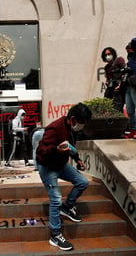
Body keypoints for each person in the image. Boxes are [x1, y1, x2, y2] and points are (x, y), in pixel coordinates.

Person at [36, 103, 92, 251]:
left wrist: (77, 158)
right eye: (81, 123)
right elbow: (42, 150)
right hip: (47, 167)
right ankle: (55, 235)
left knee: (83, 182)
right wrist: (56, 150)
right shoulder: (54, 128)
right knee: (55, 199)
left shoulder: (72, 129)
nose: (81, 126)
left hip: (61, 165)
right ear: (73, 119)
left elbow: (70, 146)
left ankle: (67, 207)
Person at [101, 47, 126, 111]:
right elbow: (109, 78)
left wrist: (120, 84)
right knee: (107, 106)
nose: (108, 56)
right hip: (111, 90)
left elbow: (125, 73)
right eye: (106, 55)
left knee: (117, 108)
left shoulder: (119, 60)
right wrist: (108, 82)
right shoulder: (107, 67)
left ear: (113, 53)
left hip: (119, 89)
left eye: (109, 54)